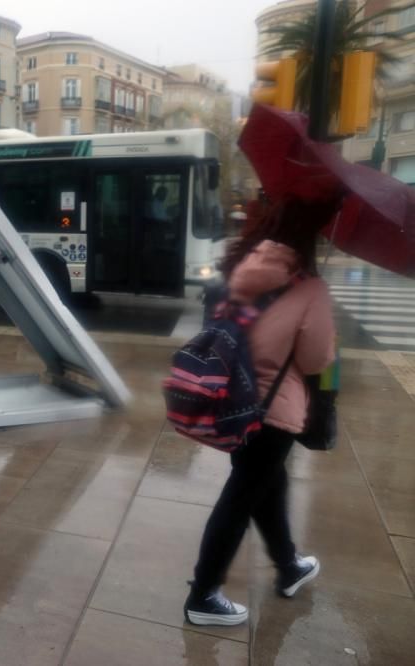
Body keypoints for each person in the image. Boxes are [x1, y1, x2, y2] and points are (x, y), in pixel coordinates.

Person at [183, 197, 338, 626]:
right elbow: (314, 361)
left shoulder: (243, 269)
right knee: (241, 497)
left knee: (265, 482)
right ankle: (203, 595)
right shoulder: (309, 288)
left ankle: (288, 565)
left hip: (235, 400)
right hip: (273, 409)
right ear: (309, 240)